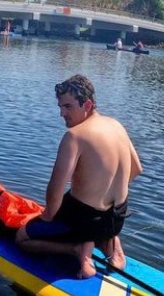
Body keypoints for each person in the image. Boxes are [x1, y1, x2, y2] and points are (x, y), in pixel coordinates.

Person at [15, 74, 143, 278]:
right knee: (94, 215)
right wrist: (103, 189)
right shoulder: (116, 125)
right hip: (117, 218)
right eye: (60, 107)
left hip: (84, 221)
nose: (61, 113)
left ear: (88, 104)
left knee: (22, 238)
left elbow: (55, 189)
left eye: (67, 107)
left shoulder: (75, 136)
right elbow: (136, 169)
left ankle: (77, 251)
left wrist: (48, 216)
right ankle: (113, 248)